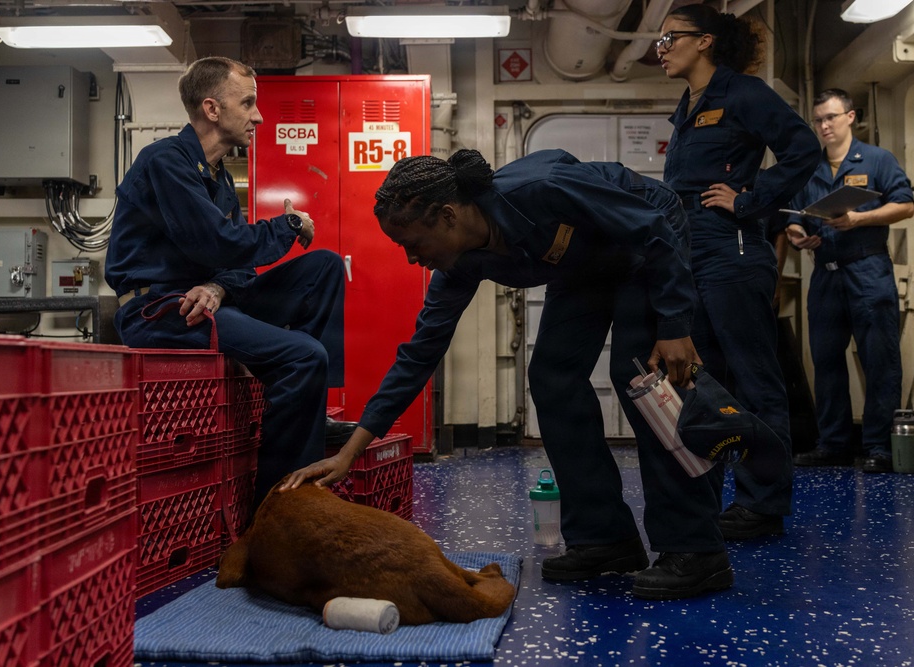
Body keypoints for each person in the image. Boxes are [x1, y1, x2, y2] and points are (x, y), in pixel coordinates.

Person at [282, 147, 740, 601]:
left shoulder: (538, 191)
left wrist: (676, 324)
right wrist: (350, 451)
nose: (410, 259)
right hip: (586, 263)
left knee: (641, 377)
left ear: (447, 215)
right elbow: (419, 354)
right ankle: (605, 538)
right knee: (552, 375)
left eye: (413, 244)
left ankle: (695, 549)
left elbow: (652, 225)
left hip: (645, 239)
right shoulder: (459, 264)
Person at [105, 56, 355, 508]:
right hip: (160, 312)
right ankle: (278, 508)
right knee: (304, 357)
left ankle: (306, 414)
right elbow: (218, 243)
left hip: (206, 303)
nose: (259, 115)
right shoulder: (166, 160)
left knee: (324, 267)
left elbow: (236, 265)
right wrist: (288, 225)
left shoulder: (219, 181)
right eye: (249, 103)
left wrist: (219, 287)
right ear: (212, 109)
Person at [657, 4, 822, 540]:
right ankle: (723, 495)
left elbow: (803, 151)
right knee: (706, 379)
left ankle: (764, 502)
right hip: (689, 251)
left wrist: (752, 199)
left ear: (703, 41)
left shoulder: (744, 94)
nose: (661, 49)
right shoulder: (687, 107)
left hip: (731, 250)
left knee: (755, 381)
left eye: (669, 39)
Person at [786, 88, 914, 473]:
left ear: (850, 117)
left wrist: (858, 219)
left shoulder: (876, 159)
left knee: (880, 361)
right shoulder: (810, 169)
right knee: (825, 363)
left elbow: (905, 205)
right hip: (825, 274)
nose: (824, 125)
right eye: (819, 119)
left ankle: (878, 446)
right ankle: (834, 445)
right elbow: (796, 217)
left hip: (868, 271)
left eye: (831, 117)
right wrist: (796, 234)